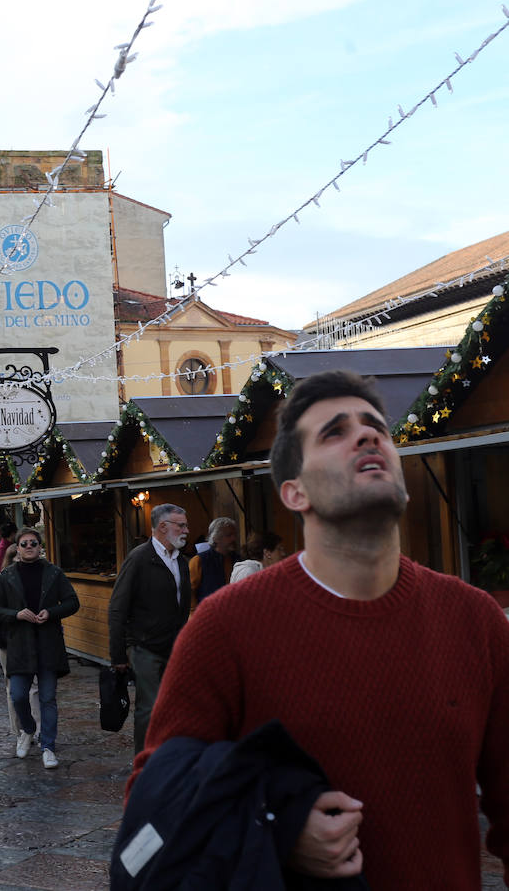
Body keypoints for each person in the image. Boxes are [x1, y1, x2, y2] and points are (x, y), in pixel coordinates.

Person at [128, 370, 509, 886]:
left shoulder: (474, 619)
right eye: (335, 432)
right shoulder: (227, 625)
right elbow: (155, 791)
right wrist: (274, 823)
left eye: (377, 427)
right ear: (294, 493)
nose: (369, 435)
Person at [0, 528, 79, 770]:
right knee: (18, 695)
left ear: (40, 547)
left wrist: (52, 612)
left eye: (33, 543)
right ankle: (27, 730)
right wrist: (15, 614)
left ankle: (48, 746)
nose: (29, 547)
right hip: (19, 644)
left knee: (48, 697)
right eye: (24, 543)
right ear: (17, 548)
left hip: (48, 643)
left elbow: (72, 602)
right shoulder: (6, 576)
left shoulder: (53, 573)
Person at [108, 503, 191, 755]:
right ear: (163, 527)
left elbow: (181, 605)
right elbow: (117, 608)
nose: (187, 530)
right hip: (144, 646)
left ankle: (167, 755)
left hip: (173, 646)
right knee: (150, 705)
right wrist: (118, 655)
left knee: (173, 705)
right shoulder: (139, 559)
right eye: (181, 525)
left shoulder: (182, 561)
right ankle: (144, 762)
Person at [189, 516, 239, 602]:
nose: (234, 538)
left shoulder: (238, 559)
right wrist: (194, 612)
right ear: (215, 538)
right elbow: (188, 592)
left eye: (234, 534)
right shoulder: (199, 561)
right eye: (229, 535)